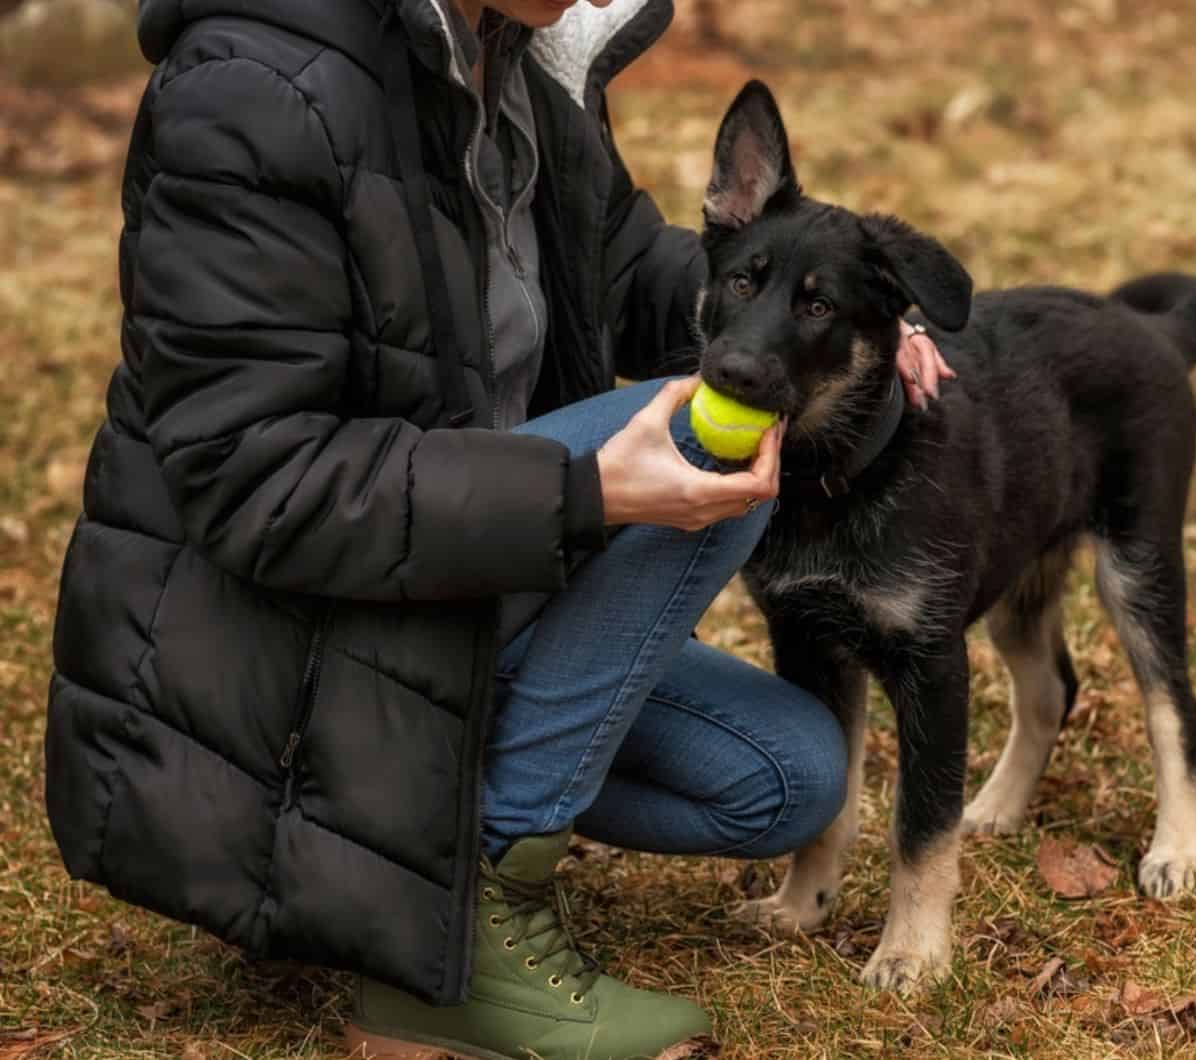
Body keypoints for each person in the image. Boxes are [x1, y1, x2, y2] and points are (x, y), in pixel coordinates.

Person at [45, 0, 953, 1057]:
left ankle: (397, 853)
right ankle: (459, 940)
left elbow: (634, 273)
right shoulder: (253, 87)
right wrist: (587, 497)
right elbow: (257, 480)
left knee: (787, 775)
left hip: (453, 576)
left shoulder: (514, 71)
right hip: (273, 656)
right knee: (708, 435)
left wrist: (847, 311)